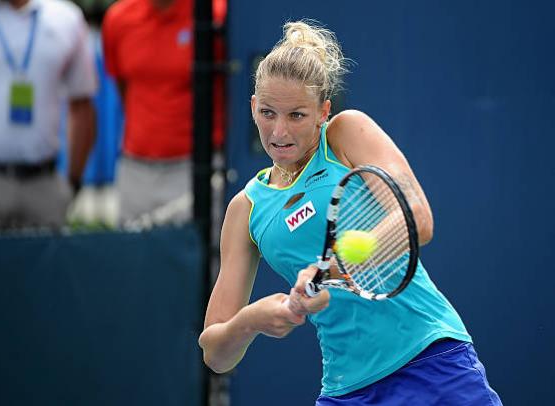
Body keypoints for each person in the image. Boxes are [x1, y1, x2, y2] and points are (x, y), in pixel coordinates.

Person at [198, 20, 502, 405]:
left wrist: (331, 268)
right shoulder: (246, 208)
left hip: (431, 360)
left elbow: (417, 220)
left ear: (323, 111)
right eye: (268, 112)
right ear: (253, 106)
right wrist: (252, 321)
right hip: (348, 390)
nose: (279, 131)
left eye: (297, 115)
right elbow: (216, 354)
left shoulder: (346, 134)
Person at [0, 0, 97, 233]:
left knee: (42, 268)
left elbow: (82, 104)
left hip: (41, 183)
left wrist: (72, 183)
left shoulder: (65, 18)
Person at [101, 0, 225, 225]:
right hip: (135, 170)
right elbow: (124, 87)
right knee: (135, 255)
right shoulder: (118, 19)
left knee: (202, 256)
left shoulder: (216, 13)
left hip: (196, 168)